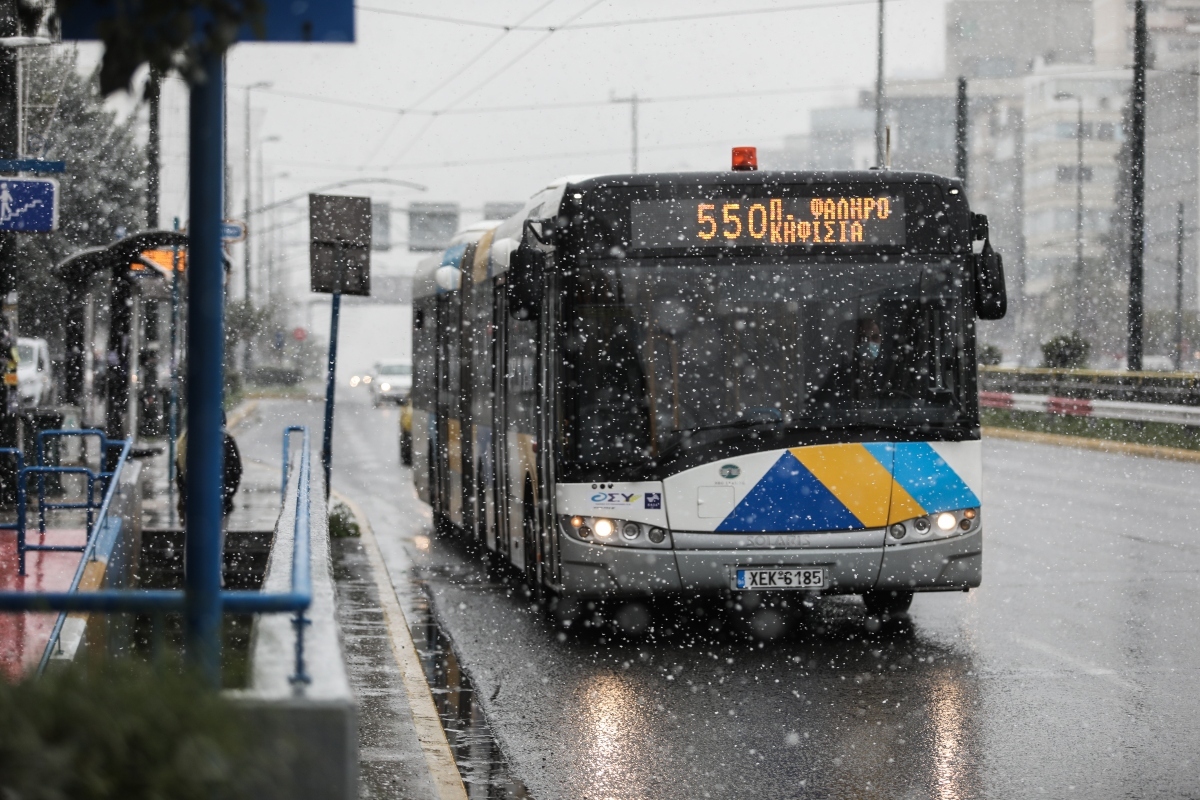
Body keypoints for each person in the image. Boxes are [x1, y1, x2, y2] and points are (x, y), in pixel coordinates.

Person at [175, 411, 243, 519]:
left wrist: (185, 496)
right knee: (218, 529)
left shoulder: (185, 439)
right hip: (219, 503)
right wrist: (226, 495)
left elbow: (180, 473)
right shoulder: (226, 439)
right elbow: (236, 471)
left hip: (193, 502)